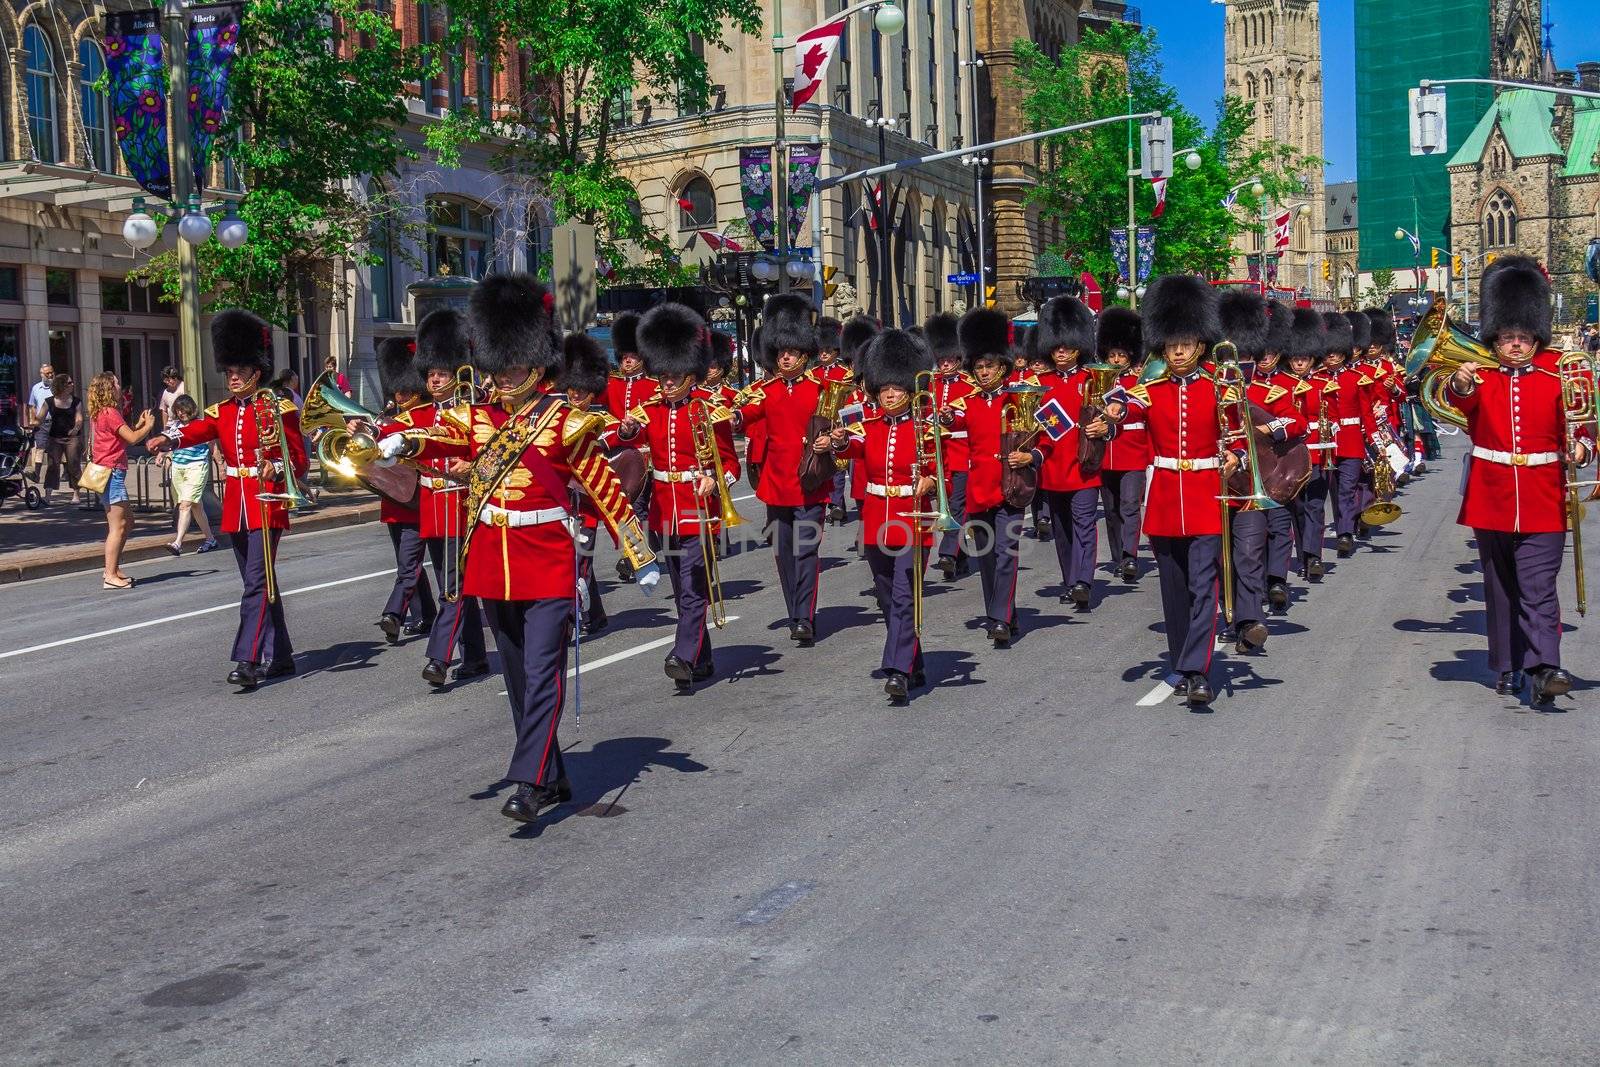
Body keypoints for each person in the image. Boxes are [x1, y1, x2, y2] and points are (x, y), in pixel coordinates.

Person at [379, 273, 660, 825]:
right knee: (514, 678)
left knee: (540, 673)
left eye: (511, 367)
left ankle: (528, 781)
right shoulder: (478, 416)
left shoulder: (563, 422)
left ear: (535, 362)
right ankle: (553, 776)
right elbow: (437, 436)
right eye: (496, 367)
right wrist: (402, 440)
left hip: (548, 557)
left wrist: (637, 549)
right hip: (492, 560)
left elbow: (602, 484)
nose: (503, 378)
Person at [1449, 256, 1591, 703]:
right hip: (1490, 495)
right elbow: (1458, 403)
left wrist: (1583, 448)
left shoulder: (1561, 370)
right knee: (1501, 588)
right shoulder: (1480, 372)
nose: (1515, 344)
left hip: (1544, 493)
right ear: (1495, 334)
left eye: (1523, 336)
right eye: (1508, 336)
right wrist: (1461, 382)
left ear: (1537, 334)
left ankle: (1545, 665)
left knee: (1538, 586)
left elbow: (1584, 424)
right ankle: (1508, 665)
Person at [148, 309, 309, 690]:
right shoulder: (222, 411)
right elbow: (199, 429)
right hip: (237, 504)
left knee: (255, 583)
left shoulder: (278, 408)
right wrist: (169, 439)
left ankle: (249, 660)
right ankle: (282, 655)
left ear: (257, 371)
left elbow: (299, 458)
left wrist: (277, 468)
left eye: (239, 369)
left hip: (268, 501)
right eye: (229, 370)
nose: (232, 376)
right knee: (260, 582)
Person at [1121, 275, 1239, 706]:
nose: (1178, 351)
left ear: (1201, 345)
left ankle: (1197, 670)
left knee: (1203, 587)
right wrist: (1112, 412)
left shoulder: (1220, 386)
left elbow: (1240, 432)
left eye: (1185, 343)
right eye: (1171, 344)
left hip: (1207, 496)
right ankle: (1181, 660)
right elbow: (1127, 404)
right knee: (1173, 592)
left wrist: (1236, 458)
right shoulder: (1148, 391)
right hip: (1167, 498)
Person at [621, 304, 742, 692]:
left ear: (690, 375)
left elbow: (730, 463)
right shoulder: (649, 410)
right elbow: (623, 440)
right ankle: (701, 660)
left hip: (698, 508)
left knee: (692, 586)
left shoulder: (710, 410)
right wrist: (623, 431)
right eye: (662, 375)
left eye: (672, 376)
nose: (665, 382)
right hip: (663, 510)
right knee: (681, 589)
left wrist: (714, 480)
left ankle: (682, 654)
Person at [821, 329, 936, 702]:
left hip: (912, 517)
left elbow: (944, 471)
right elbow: (851, 446)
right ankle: (913, 661)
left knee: (904, 596)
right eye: (883, 387)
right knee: (887, 598)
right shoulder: (868, 426)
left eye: (897, 388)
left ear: (909, 389)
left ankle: (898, 670)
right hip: (875, 519)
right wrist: (837, 440)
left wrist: (930, 480)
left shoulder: (927, 427)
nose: (889, 393)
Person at [735, 293, 833, 646]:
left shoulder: (822, 390)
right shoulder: (766, 390)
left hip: (809, 483)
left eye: (791, 351)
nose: (785, 356)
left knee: (806, 552)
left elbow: (846, 425)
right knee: (783, 554)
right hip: (777, 485)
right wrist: (731, 417)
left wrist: (832, 441)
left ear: (804, 355)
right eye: (781, 352)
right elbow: (745, 415)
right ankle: (796, 610)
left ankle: (804, 617)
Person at [1215, 290, 1305, 654]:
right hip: (1217, 482)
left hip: (1255, 480)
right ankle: (1230, 614)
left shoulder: (1272, 389)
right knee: (1222, 557)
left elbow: (1296, 420)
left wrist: (1268, 429)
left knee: (1249, 554)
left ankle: (1250, 621)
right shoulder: (1211, 385)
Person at [407, 308, 490, 685]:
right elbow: (389, 437)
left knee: (453, 588)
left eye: (440, 372)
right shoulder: (418, 414)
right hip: (433, 510)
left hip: (462, 507)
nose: (434, 379)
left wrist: (471, 467)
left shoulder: (474, 410)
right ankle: (474, 656)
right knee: (452, 586)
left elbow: (489, 454)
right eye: (430, 373)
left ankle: (439, 657)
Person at [953, 308, 1039, 647]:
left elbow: (1046, 438)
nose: (983, 372)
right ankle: (1004, 613)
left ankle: (1000, 619)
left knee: (1007, 553)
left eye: (989, 366)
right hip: (979, 490)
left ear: (1002, 366)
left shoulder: (1018, 397)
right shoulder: (968, 402)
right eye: (978, 367)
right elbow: (946, 424)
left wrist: (1030, 455)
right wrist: (944, 416)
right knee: (987, 559)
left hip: (1011, 487)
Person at [1033, 295, 1111, 610]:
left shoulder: (1093, 379)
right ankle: (1070, 581)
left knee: (1084, 524)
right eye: (1056, 346)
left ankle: (1083, 580)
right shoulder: (1038, 384)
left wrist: (1106, 427)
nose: (1061, 351)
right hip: (1052, 467)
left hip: (1083, 465)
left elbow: (1116, 415)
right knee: (1062, 531)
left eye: (1067, 345)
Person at [372, 336, 437, 646]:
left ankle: (394, 613)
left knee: (408, 562)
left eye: (406, 389)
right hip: (395, 501)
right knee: (405, 559)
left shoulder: (426, 416)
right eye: (397, 389)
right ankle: (425, 614)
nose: (400, 395)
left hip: (420, 501)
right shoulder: (391, 419)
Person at [86, 372, 156, 590]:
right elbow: (134, 439)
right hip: (112, 473)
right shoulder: (111, 412)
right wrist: (149, 426)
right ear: (109, 388)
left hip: (109, 472)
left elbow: (122, 438)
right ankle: (109, 575)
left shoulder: (101, 412)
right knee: (118, 526)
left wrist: (138, 423)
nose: (119, 385)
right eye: (116, 382)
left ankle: (113, 568)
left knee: (128, 522)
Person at [1095, 307, 1147, 583]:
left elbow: (1142, 412)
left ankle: (1130, 555)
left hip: (1132, 451)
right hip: (1105, 454)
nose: (1116, 360)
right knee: (1112, 510)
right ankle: (1118, 557)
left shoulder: (1139, 383)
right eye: (1112, 355)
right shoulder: (1098, 382)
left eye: (1121, 355)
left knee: (1129, 505)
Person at [1323, 312, 1378, 559]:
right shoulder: (1315, 380)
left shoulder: (1357, 379)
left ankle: (1345, 533)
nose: (1331, 355)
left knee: (1347, 487)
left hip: (1352, 438)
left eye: (1336, 350)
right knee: (1333, 490)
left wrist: (1377, 441)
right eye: (1328, 350)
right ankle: (1345, 523)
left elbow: (1367, 413)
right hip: (1326, 442)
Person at [1284, 308, 1333, 581]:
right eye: (1295, 359)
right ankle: (1303, 555)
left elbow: (1333, 415)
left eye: (1304, 359)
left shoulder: (1324, 384)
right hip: (1291, 454)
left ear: (1312, 359)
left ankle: (1314, 556)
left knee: (1314, 505)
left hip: (1316, 451)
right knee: (1298, 508)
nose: (1299, 364)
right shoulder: (1283, 385)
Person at [924, 312, 974, 579]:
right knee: (946, 506)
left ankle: (947, 552)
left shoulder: (969, 384)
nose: (944, 363)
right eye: (941, 359)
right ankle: (960, 557)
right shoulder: (929, 384)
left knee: (957, 505)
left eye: (949, 359)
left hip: (961, 452)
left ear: (958, 358)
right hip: (937, 454)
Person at [164, 394, 218, 555]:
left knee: (185, 505)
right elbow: (169, 446)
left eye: (183, 409)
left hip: (196, 467)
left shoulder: (201, 425)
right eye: (178, 410)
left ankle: (178, 542)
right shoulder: (174, 426)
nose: (181, 413)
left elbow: (212, 446)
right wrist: (166, 456)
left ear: (191, 408)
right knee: (196, 506)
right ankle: (210, 539)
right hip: (179, 468)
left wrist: (221, 466)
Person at [39, 374, 83, 506]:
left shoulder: (76, 401)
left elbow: (79, 418)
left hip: (72, 438)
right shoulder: (49, 401)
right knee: (52, 465)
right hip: (55, 437)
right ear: (62, 385)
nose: (72, 384)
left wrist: (75, 428)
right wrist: (33, 422)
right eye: (69, 383)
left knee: (73, 465)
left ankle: (76, 494)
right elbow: (40, 418)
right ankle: (47, 495)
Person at [24, 363, 54, 479]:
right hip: (41, 423)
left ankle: (66, 472)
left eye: (52, 372)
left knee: (58, 447)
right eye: (48, 373)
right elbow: (32, 406)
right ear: (42, 374)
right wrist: (33, 421)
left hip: (56, 422)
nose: (51, 375)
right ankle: (36, 474)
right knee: (40, 447)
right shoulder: (36, 388)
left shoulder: (57, 387)